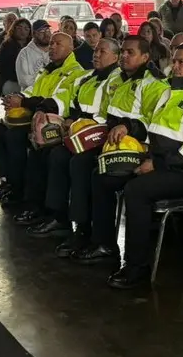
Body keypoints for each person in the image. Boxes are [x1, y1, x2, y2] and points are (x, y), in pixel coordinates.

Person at [95, 42, 183, 290]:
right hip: (160, 164)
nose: (175, 66)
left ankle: (136, 267)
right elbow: (149, 127)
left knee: (136, 190)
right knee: (105, 173)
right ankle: (104, 244)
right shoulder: (170, 92)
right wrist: (128, 127)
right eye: (174, 61)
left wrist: (156, 164)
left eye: (182, 62)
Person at [71, 35, 169, 262]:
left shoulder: (154, 84)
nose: (124, 56)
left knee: (99, 175)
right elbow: (105, 114)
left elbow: (153, 122)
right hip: (112, 141)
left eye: (130, 52)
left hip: (140, 148)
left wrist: (129, 127)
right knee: (76, 158)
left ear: (145, 57)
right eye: (122, 51)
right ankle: (81, 229)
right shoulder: (117, 79)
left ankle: (104, 243)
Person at [23, 37, 122, 237]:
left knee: (76, 162)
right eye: (95, 51)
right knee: (46, 150)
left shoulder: (117, 80)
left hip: (101, 134)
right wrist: (45, 108)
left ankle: (82, 227)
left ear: (115, 57)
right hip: (79, 131)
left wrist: (79, 124)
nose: (96, 55)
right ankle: (52, 213)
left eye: (102, 52)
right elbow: (67, 98)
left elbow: (107, 115)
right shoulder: (88, 78)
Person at [0, 31, 83, 205]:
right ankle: (8, 181)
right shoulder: (47, 70)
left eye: (58, 44)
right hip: (32, 115)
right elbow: (32, 90)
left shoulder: (75, 73)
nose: (52, 47)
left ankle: (19, 189)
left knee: (14, 136)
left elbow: (57, 101)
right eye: (51, 43)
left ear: (71, 48)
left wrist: (23, 101)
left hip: (52, 121)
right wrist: (15, 98)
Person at [0, 17, 30, 97]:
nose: (23, 31)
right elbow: (0, 66)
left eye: (26, 29)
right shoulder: (7, 45)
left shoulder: (32, 46)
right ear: (14, 29)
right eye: (19, 28)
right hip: (12, 80)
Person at [16, 18, 52, 90]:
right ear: (34, 34)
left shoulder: (55, 51)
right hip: (31, 95)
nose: (46, 34)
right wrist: (49, 82)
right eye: (42, 31)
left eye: (47, 30)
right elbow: (24, 81)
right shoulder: (24, 54)